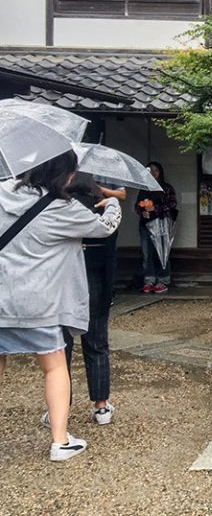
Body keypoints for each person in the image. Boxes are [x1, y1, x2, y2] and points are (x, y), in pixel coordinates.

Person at [0, 151, 122, 461]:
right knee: (53, 367)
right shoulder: (61, 208)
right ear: (61, 174)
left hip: (1, 298)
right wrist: (113, 203)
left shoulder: (2, 193)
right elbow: (104, 228)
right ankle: (59, 441)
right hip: (38, 302)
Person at [61, 173, 125, 425]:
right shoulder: (103, 215)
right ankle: (101, 405)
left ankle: (60, 406)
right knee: (97, 340)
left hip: (64, 285)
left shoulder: (62, 213)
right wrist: (110, 203)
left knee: (61, 346)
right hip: (97, 279)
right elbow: (111, 224)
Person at [135, 162, 177, 294]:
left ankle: (163, 280)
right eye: (150, 170)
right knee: (147, 254)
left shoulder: (167, 188)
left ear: (161, 172)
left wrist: (155, 208)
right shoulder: (144, 189)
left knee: (162, 253)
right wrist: (142, 211)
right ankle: (149, 280)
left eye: (156, 170)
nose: (153, 173)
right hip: (146, 224)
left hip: (162, 224)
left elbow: (172, 205)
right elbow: (138, 205)